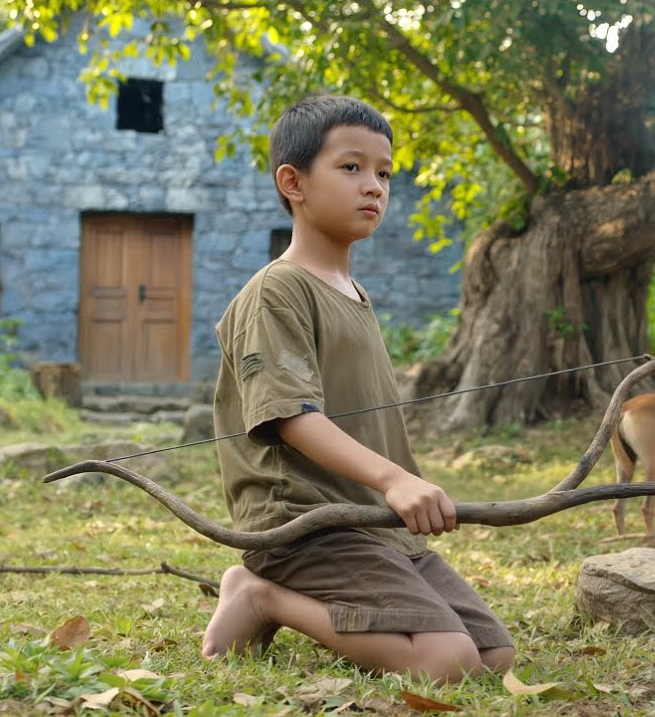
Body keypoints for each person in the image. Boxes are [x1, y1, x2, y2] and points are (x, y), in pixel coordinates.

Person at [200, 94, 515, 683]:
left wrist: (391, 494)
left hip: (373, 523)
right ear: (293, 182)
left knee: (493, 656)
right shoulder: (277, 292)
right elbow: (291, 415)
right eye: (351, 168)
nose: (374, 186)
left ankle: (301, 601)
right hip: (304, 522)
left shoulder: (355, 294)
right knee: (447, 663)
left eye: (384, 172)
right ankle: (259, 595)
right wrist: (396, 479)